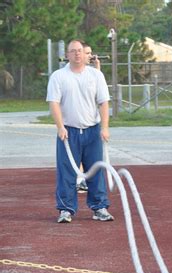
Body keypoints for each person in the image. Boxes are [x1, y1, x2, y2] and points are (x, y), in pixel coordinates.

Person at [46, 39, 114, 223]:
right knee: (67, 171)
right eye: (73, 51)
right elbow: (54, 103)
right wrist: (60, 127)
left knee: (95, 170)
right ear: (67, 55)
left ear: (86, 54)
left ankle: (99, 207)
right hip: (69, 132)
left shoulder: (96, 75)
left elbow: (103, 102)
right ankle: (66, 210)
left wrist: (105, 127)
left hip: (92, 131)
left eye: (80, 51)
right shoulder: (58, 76)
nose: (77, 54)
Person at [75, 42, 101, 193]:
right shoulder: (75, 74)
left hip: (91, 122)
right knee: (77, 154)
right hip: (76, 122)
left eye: (91, 53)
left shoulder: (92, 73)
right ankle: (79, 180)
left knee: (91, 155)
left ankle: (86, 180)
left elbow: (98, 88)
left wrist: (97, 67)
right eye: (88, 53)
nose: (90, 56)